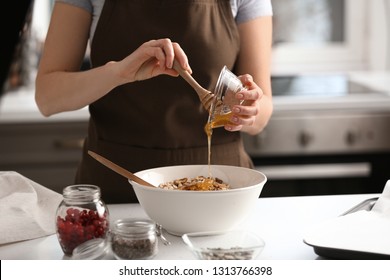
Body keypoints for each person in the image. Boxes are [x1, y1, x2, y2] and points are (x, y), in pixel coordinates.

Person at [35, 0, 273, 203]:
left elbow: (262, 113)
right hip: (116, 189)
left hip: (221, 194)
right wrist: (118, 73)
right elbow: (47, 98)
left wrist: (249, 110)